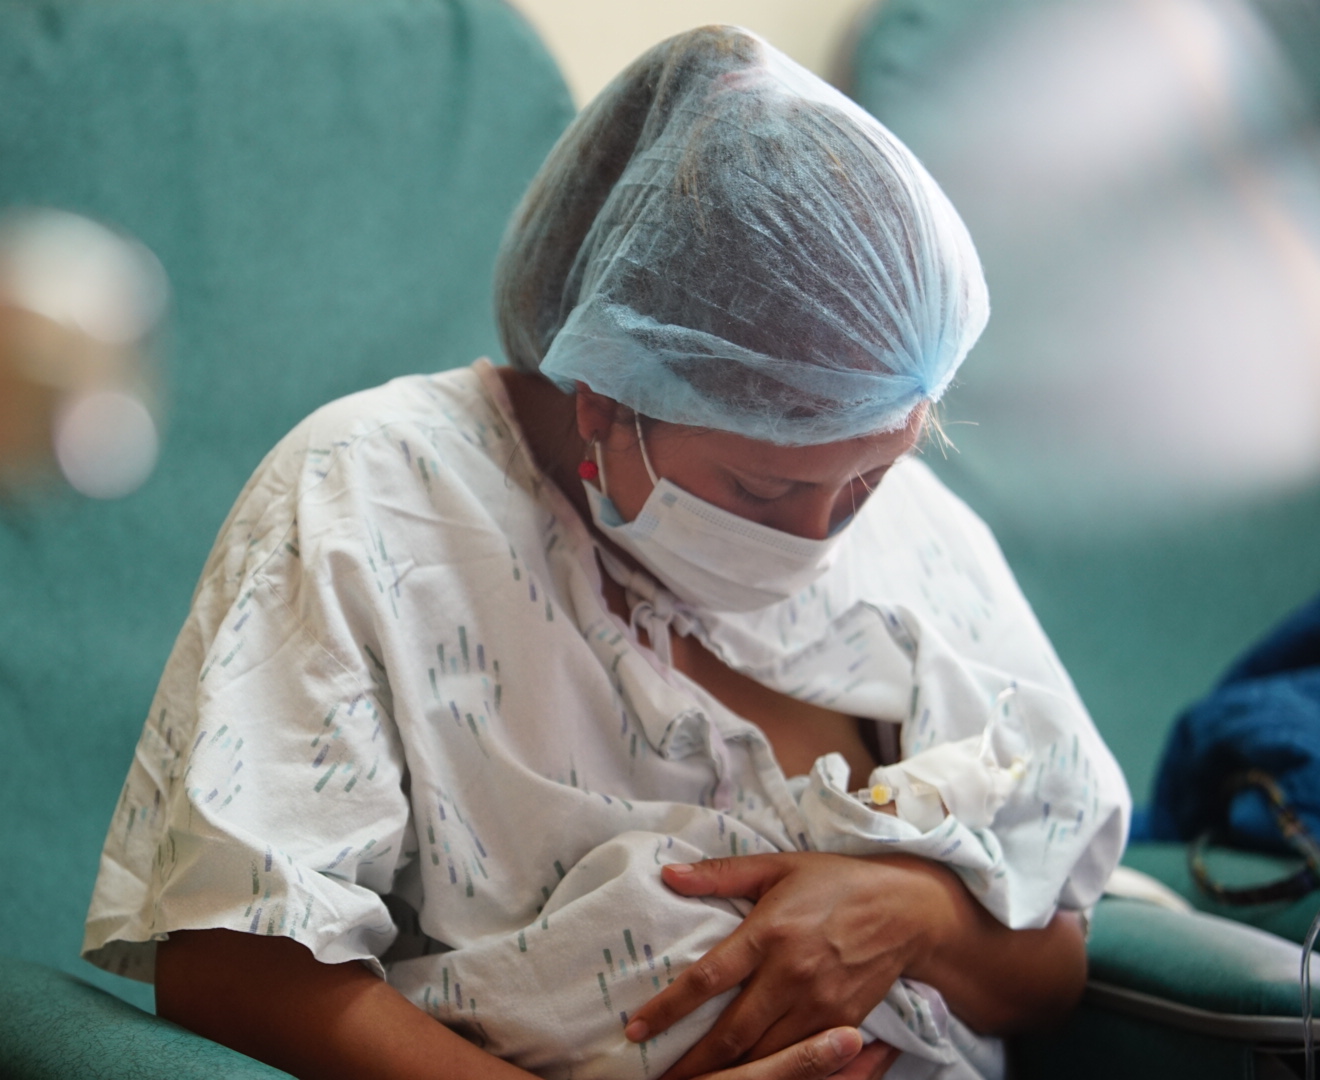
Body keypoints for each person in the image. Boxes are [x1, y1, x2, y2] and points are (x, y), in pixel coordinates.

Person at [82, 26, 1129, 1080]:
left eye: (869, 476)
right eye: (761, 487)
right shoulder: (375, 499)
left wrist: (918, 914)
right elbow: (229, 962)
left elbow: (1054, 959)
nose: (820, 536)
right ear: (607, 395)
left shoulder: (918, 539)